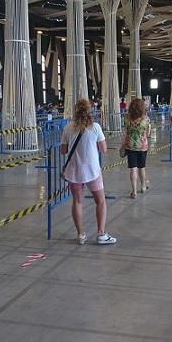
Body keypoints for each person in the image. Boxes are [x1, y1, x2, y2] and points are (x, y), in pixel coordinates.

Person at [61, 99, 116, 245]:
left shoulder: (68, 128)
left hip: (74, 172)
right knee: (100, 201)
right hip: (92, 171)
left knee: (78, 202)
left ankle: (81, 235)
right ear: (89, 111)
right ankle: (101, 234)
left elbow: (63, 151)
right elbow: (103, 149)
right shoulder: (95, 127)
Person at [123, 98, 151, 198]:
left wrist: (123, 144)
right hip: (142, 146)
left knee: (133, 169)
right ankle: (143, 187)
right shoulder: (146, 119)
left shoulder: (126, 118)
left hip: (130, 146)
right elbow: (147, 133)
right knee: (141, 167)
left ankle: (134, 191)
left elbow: (125, 132)